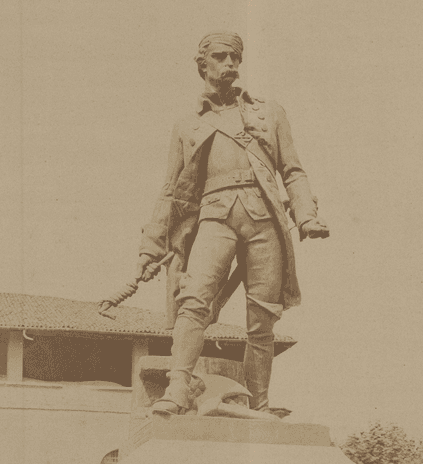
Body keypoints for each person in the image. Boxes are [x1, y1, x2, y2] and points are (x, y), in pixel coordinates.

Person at [136, 32, 329, 415]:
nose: (230, 65)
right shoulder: (188, 125)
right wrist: (150, 247)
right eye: (221, 57)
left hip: (264, 220)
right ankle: (177, 389)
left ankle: (259, 403)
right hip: (214, 217)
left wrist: (306, 215)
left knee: (262, 319)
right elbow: (170, 191)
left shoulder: (267, 112)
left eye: (235, 58)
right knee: (193, 301)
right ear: (202, 65)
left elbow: (292, 171)